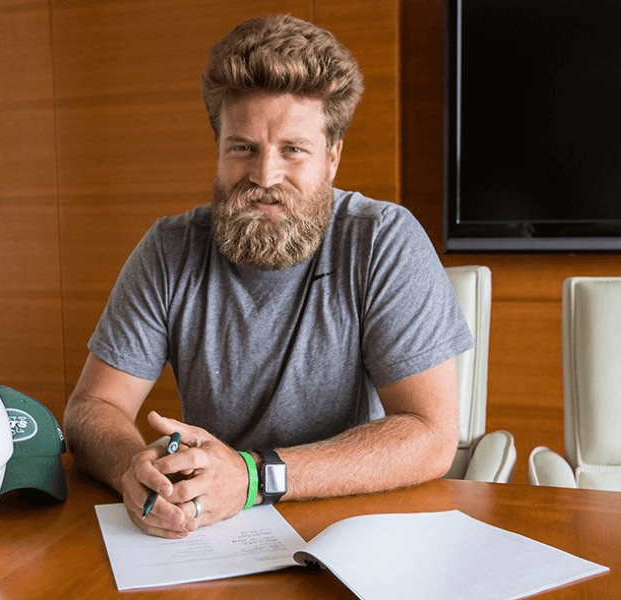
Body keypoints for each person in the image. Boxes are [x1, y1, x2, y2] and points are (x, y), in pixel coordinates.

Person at [63, 14, 474, 539]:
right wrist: (132, 468)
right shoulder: (171, 248)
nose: (264, 176)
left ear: (332, 157)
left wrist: (255, 476)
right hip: (211, 531)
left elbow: (430, 436)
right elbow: (93, 407)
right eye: (243, 148)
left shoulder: (381, 240)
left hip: (354, 525)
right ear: (219, 150)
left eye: (293, 150)